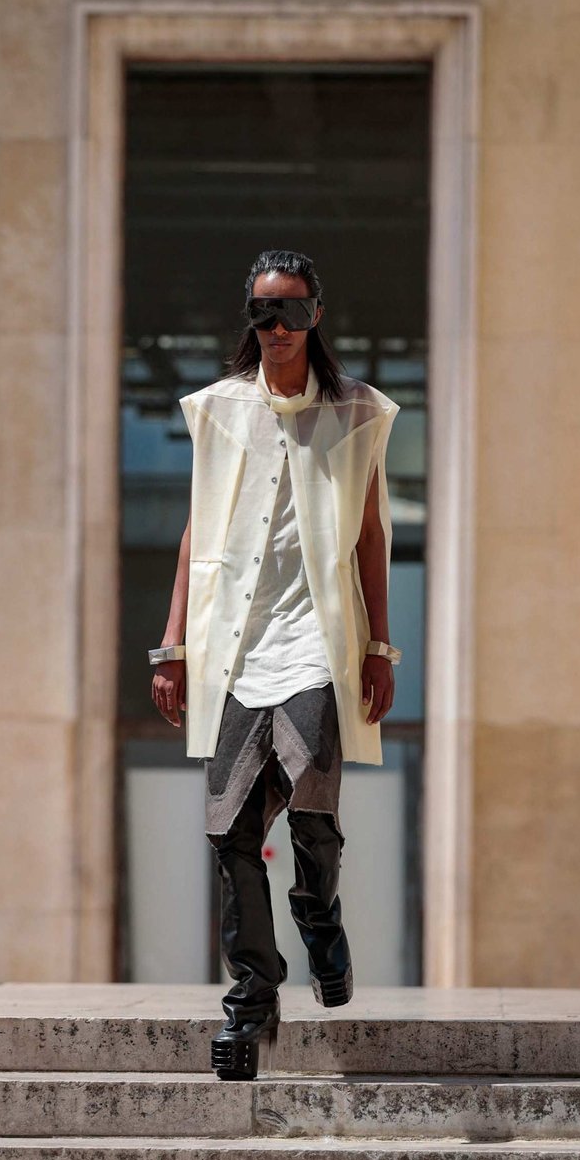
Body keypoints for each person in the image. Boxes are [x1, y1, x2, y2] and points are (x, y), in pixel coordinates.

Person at [149, 247, 402, 1081]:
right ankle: (252, 995)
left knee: (312, 814)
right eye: (264, 312)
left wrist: (379, 646)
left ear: (317, 314)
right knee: (228, 832)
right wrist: (173, 646)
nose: (278, 327)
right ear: (248, 318)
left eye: (292, 310)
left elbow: (371, 535)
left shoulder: (358, 411)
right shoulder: (217, 410)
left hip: (314, 648)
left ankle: (317, 915)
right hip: (236, 650)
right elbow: (195, 532)